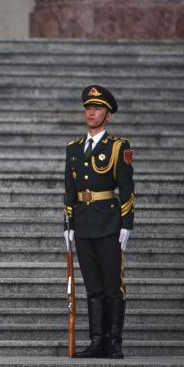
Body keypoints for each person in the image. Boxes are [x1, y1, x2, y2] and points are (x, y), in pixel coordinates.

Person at [63, 85, 135, 359]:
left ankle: (114, 342)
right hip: (82, 224)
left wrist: (127, 223)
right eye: (88, 108)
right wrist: (68, 224)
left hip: (108, 223)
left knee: (112, 287)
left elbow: (127, 188)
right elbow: (69, 189)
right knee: (93, 287)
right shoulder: (74, 149)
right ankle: (97, 341)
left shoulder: (118, 147)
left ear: (109, 115)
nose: (91, 112)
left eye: (97, 109)